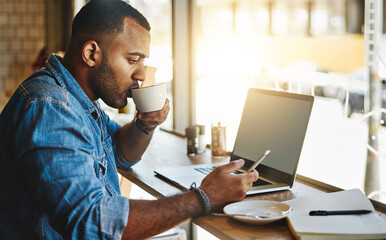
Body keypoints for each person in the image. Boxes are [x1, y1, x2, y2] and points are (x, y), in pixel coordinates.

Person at [0, 0, 259, 239]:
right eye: (133, 59)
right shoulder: (50, 107)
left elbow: (119, 152)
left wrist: (145, 124)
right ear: (91, 54)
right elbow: (89, 222)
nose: (141, 74)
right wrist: (204, 198)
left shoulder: (77, 99)